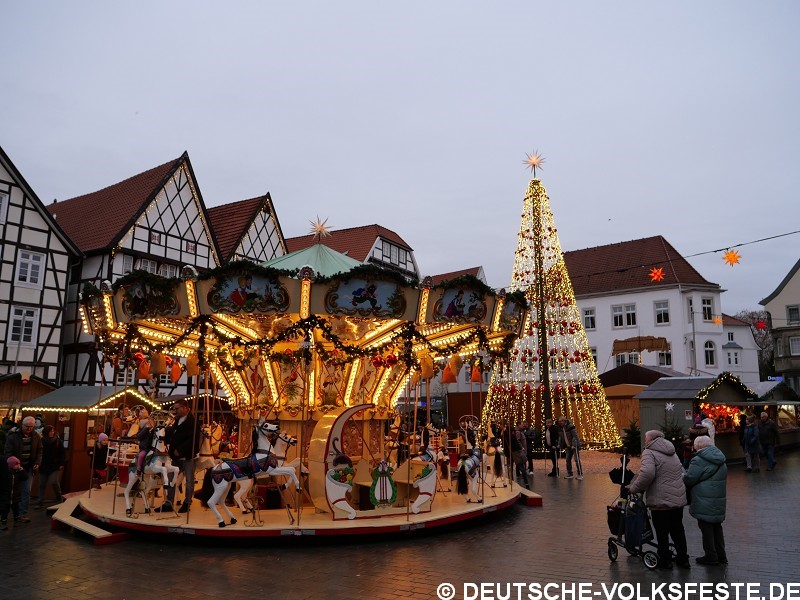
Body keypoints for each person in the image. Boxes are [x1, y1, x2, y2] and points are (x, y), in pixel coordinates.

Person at [627, 430, 690, 569]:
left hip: (661, 501)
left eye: (645, 438)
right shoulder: (672, 451)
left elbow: (647, 474)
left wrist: (633, 488)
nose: (645, 441)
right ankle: (683, 558)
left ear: (651, 439)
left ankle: (665, 560)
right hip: (677, 500)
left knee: (662, 532)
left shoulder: (649, 452)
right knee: (677, 529)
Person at [684, 435, 728, 565]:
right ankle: (721, 555)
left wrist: (683, 475)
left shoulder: (698, 460)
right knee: (717, 527)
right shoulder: (721, 458)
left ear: (699, 446)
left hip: (704, 499)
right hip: (718, 498)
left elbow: (689, 479)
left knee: (706, 527)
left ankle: (711, 556)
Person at [163, 399, 200, 514]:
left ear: (184, 408)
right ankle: (169, 501)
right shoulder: (177, 420)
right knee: (171, 478)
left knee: (189, 481)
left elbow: (193, 439)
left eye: (177, 408)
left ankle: (187, 502)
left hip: (188, 456)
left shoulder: (193, 422)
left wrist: (180, 450)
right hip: (176, 456)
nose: (175, 410)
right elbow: (174, 433)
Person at [3, 415, 42, 521]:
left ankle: (22, 514)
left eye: (31, 426)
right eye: (27, 426)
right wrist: (14, 463)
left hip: (28, 468)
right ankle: (4, 513)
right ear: (22, 425)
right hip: (14, 468)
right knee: (8, 490)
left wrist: (37, 462)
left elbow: (39, 451)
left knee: (26, 491)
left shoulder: (36, 436)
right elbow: (7, 452)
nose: (29, 428)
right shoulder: (13, 436)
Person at [36, 425, 66, 507]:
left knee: (53, 481)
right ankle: (40, 501)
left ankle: (59, 496)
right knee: (42, 484)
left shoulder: (57, 441)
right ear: (46, 432)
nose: (52, 433)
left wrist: (61, 463)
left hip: (54, 465)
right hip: (44, 465)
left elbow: (62, 453)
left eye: (53, 431)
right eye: (50, 431)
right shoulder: (41, 440)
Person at [1, 456, 29, 528]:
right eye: (17, 464)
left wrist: (22, 470)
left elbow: (25, 478)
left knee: (16, 509)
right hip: (7, 495)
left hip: (16, 496)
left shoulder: (19, 472)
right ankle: (3, 523)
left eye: (19, 464)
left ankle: (16, 521)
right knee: (5, 510)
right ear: (11, 465)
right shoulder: (6, 473)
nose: (19, 465)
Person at [557, 416, 583, 480]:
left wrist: (574, 445)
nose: (560, 423)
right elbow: (561, 437)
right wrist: (559, 444)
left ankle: (580, 474)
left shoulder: (570, 426)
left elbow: (575, 436)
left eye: (561, 421)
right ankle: (570, 473)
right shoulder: (560, 428)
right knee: (567, 459)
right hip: (568, 446)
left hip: (574, 445)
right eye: (559, 421)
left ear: (564, 421)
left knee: (576, 460)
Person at [509, 424, 530, 489]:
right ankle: (526, 483)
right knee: (522, 467)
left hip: (517, 452)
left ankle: (525, 482)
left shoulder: (515, 435)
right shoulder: (516, 434)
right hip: (518, 451)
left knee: (521, 467)